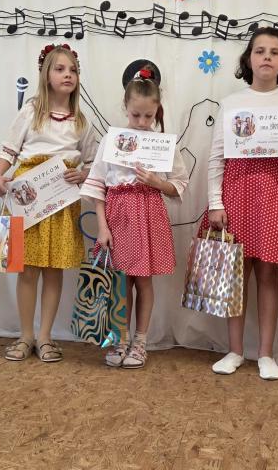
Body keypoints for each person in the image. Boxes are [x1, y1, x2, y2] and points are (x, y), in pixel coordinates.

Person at [204, 27, 278, 380]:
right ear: (248, 59)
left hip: (276, 193)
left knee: (269, 274)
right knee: (235, 275)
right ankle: (235, 350)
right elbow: (216, 157)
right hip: (236, 191)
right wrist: (216, 202)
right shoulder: (231, 103)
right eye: (260, 50)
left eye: (275, 52)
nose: (267, 56)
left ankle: (266, 354)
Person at [0, 43, 97, 362]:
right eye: (60, 69)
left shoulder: (81, 121)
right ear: (46, 74)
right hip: (27, 195)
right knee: (27, 269)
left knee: (53, 269)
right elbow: (9, 150)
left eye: (73, 70)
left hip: (62, 199)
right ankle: (25, 335)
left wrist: (83, 174)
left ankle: (46, 337)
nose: (68, 75)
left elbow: (93, 161)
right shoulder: (31, 111)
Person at [80, 65, 188, 369]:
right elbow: (97, 184)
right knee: (120, 281)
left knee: (143, 280)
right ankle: (119, 338)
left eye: (148, 116)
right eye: (135, 115)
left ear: (157, 111)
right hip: (118, 214)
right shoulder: (111, 140)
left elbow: (179, 184)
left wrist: (156, 182)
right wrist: (102, 227)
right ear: (125, 108)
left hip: (149, 213)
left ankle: (140, 342)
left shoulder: (163, 144)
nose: (141, 122)